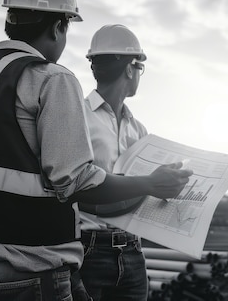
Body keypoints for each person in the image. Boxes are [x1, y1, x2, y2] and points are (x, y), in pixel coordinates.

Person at [0, 0, 192, 301]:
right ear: (59, 26)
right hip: (30, 274)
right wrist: (150, 184)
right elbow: (75, 180)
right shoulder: (52, 79)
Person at [76, 24, 151, 301]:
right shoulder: (77, 117)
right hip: (87, 250)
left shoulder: (139, 130)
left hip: (132, 251)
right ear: (130, 69)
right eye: (139, 68)